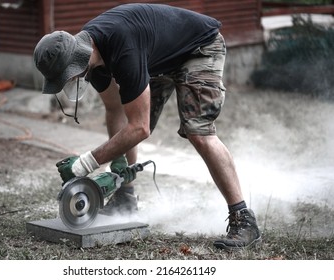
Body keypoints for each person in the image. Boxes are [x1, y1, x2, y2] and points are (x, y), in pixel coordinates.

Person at [33, 3, 261, 250]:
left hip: (199, 48)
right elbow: (115, 110)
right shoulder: (93, 58)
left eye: (68, 76)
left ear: (77, 62)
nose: (71, 80)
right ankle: (125, 198)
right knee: (128, 121)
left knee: (198, 131)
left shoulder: (122, 50)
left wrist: (84, 164)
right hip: (160, 58)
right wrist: (120, 168)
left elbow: (140, 128)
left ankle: (244, 219)